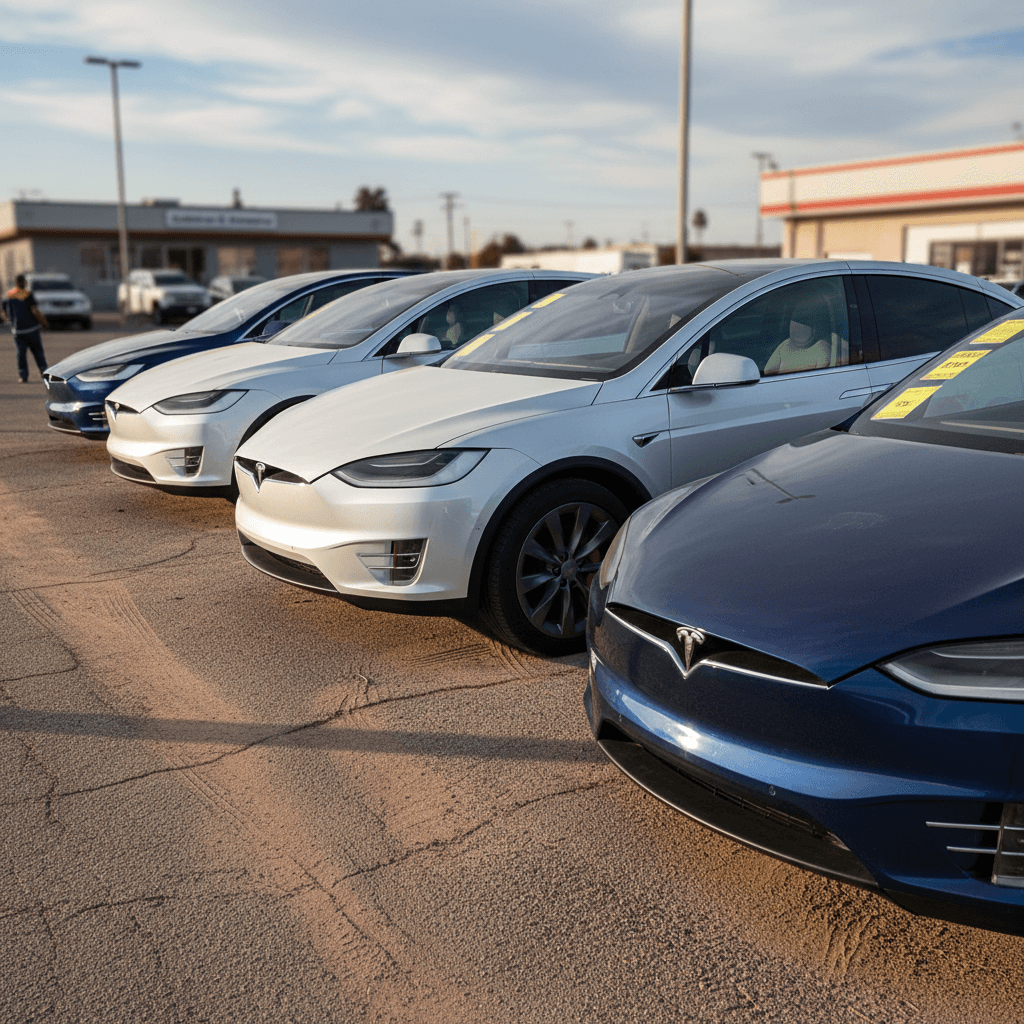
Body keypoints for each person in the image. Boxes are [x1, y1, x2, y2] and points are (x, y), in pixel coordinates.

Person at [763, 301, 832, 376]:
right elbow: (767, 373)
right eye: (796, 319)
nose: (798, 325)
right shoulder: (785, 345)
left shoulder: (821, 348)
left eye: (804, 321)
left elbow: (819, 379)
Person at [2, 274, 49, 383]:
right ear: (24, 282)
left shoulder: (10, 294)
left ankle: (23, 376)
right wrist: (43, 322)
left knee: (20, 354)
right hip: (32, 329)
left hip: (18, 331)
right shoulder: (28, 294)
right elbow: (34, 310)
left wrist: (10, 321)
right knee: (38, 352)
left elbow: (4, 311)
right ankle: (44, 371)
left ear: (15, 282)